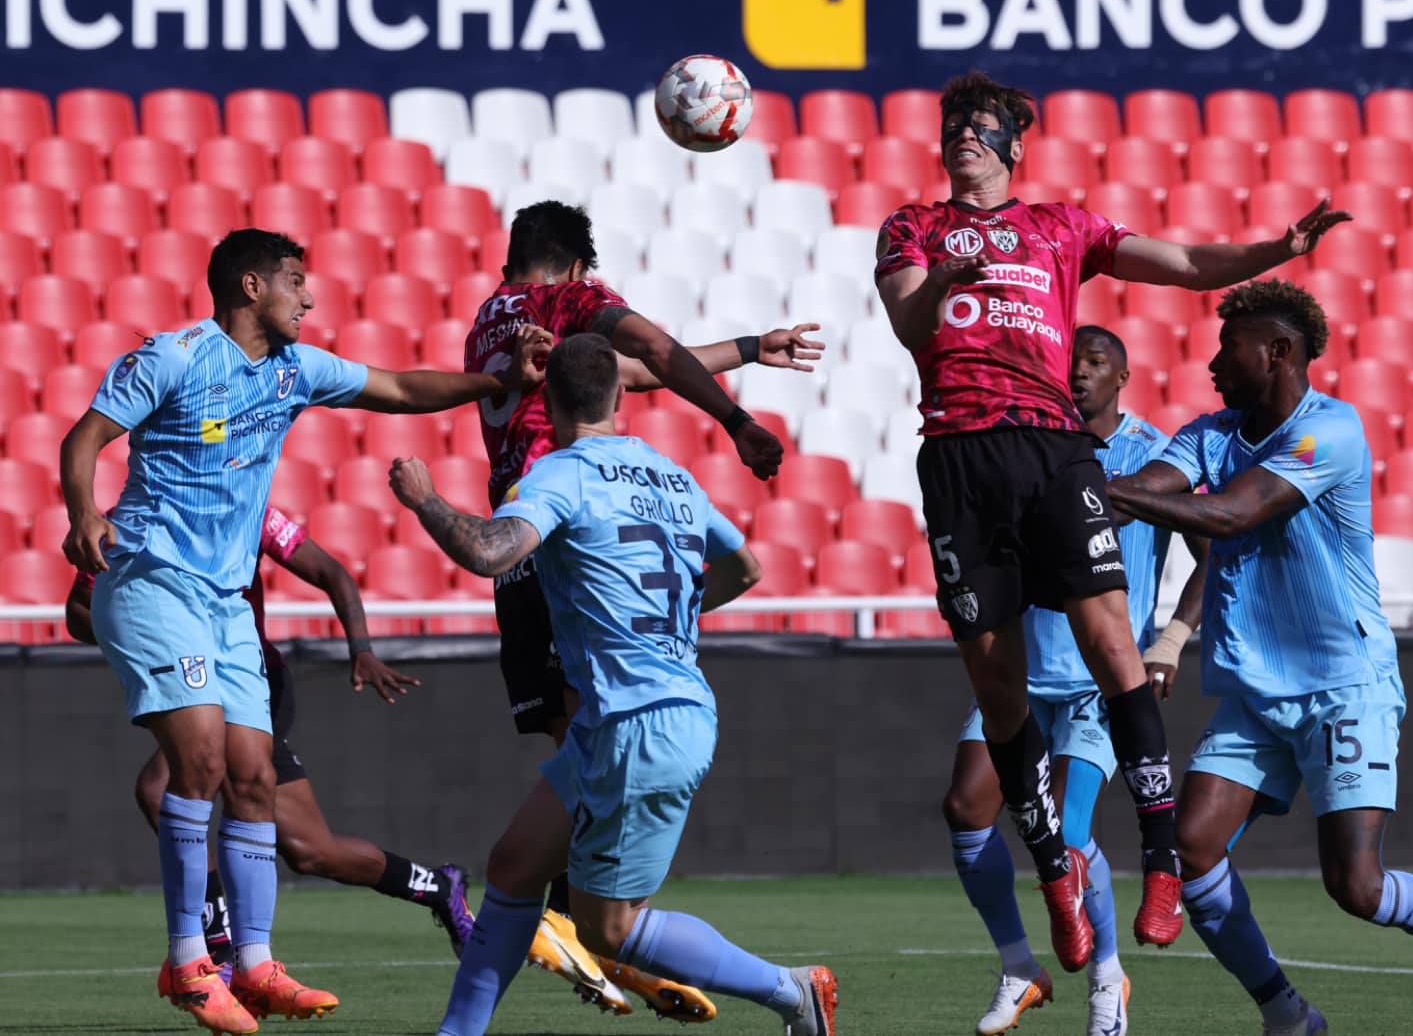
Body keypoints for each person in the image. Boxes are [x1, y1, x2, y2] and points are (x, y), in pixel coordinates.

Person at [873, 70, 1350, 969]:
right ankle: (1055, 869)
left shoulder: (1061, 225)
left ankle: (1163, 857)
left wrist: (1276, 248)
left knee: (1115, 650)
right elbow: (908, 326)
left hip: (1053, 451)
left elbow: (1185, 265)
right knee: (998, 692)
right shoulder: (912, 227)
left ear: (1015, 146)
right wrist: (945, 277)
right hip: (960, 458)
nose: (962, 137)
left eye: (980, 127)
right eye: (952, 127)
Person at [58, 228, 544, 1035]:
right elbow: (83, 439)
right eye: (295, 281)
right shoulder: (174, 357)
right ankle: (187, 960)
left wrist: (496, 379)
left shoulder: (297, 368)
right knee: (203, 759)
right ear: (250, 287)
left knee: (253, 776)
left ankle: (254, 963)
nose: (309, 298)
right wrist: (83, 512)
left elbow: (397, 386)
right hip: (151, 580)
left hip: (225, 604)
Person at [1104, 279, 1413, 1036]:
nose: (1215, 361)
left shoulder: (1332, 431)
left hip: (1342, 687)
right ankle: (1286, 1013)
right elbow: (1157, 480)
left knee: (1355, 884)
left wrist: (1104, 497)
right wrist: (1095, 487)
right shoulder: (1211, 432)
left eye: (1232, 346)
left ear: (1279, 352)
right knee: (1191, 847)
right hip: (1255, 692)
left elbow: (1232, 512)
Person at [390, 332, 839, 1036]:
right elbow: (747, 568)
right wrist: (664, 620)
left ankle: (792, 991)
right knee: (513, 866)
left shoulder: (559, 473)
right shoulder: (672, 476)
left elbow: (485, 552)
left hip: (639, 723)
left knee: (608, 929)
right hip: (628, 714)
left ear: (548, 398)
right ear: (620, 396)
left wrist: (422, 498)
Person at [466, 200, 824, 1019]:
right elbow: (649, 351)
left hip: (526, 551)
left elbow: (613, 374)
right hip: (562, 536)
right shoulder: (565, 304)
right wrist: (736, 414)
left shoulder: (496, 317)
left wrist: (745, 350)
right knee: (585, 757)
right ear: (574, 267)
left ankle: (603, 931)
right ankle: (613, 933)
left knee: (573, 760)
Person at [65, 502, 474, 972]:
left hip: (253, 683)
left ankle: (218, 945)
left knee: (159, 791)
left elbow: (332, 572)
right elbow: (77, 611)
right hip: (192, 680)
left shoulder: (242, 502)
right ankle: (439, 888)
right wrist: (143, 630)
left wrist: (361, 648)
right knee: (310, 851)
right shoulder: (124, 522)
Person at [943, 327, 1206, 1036]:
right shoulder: (1029, 444)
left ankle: (1108, 977)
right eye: (1072, 363)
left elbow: (1212, 551)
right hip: (1023, 671)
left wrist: (1173, 639)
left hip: (1097, 681)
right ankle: (1019, 965)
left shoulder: (1151, 453)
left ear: (1123, 374)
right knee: (967, 807)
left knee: (1070, 828)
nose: (1080, 374)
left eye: (1095, 364)